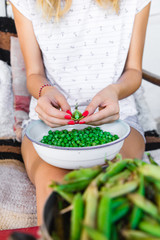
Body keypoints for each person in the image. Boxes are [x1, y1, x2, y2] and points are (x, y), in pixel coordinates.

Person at [10, 0, 151, 225]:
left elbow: (133, 71)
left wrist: (115, 91)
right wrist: (45, 91)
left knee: (109, 191)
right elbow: (34, 73)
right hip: (50, 125)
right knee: (55, 192)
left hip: (118, 120)